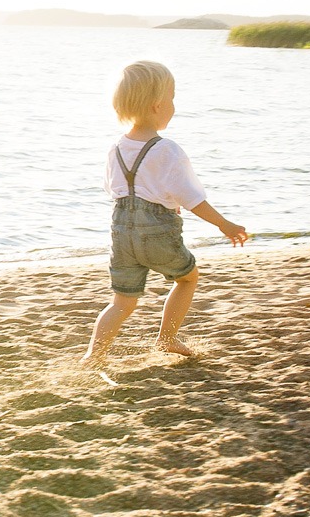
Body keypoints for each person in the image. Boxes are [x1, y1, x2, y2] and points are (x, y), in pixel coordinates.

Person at [83, 60, 247, 367]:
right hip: (157, 232)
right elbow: (192, 198)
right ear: (158, 105)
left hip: (121, 233)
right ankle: (167, 338)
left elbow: (114, 190)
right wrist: (225, 224)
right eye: (172, 99)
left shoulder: (116, 148)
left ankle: (95, 355)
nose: (174, 106)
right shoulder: (167, 149)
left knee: (122, 302)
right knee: (187, 278)